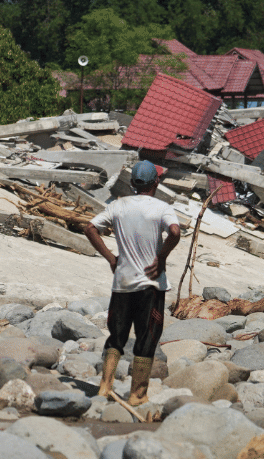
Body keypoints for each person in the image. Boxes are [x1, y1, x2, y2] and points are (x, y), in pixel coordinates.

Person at [83, 159, 182, 408]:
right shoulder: (162, 208)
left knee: (116, 336)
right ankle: (137, 395)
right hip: (150, 285)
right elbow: (175, 232)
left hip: (122, 284)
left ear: (132, 184)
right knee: (147, 337)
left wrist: (111, 258)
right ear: (155, 182)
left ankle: (105, 387)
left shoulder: (118, 206)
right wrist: (161, 257)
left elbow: (90, 228)